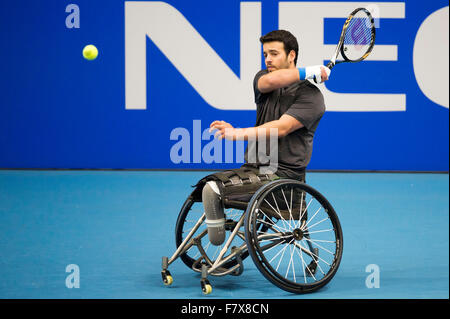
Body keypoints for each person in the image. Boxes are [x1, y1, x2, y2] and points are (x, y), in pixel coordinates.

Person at [199, 30, 330, 246]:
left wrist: (238, 133)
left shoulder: (312, 97)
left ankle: (218, 246)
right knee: (209, 185)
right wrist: (309, 71)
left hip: (283, 178)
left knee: (212, 190)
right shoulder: (263, 80)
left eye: (274, 53)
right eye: (265, 54)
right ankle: (220, 251)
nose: (268, 59)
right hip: (253, 168)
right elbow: (272, 80)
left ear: (291, 56)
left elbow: (281, 128)